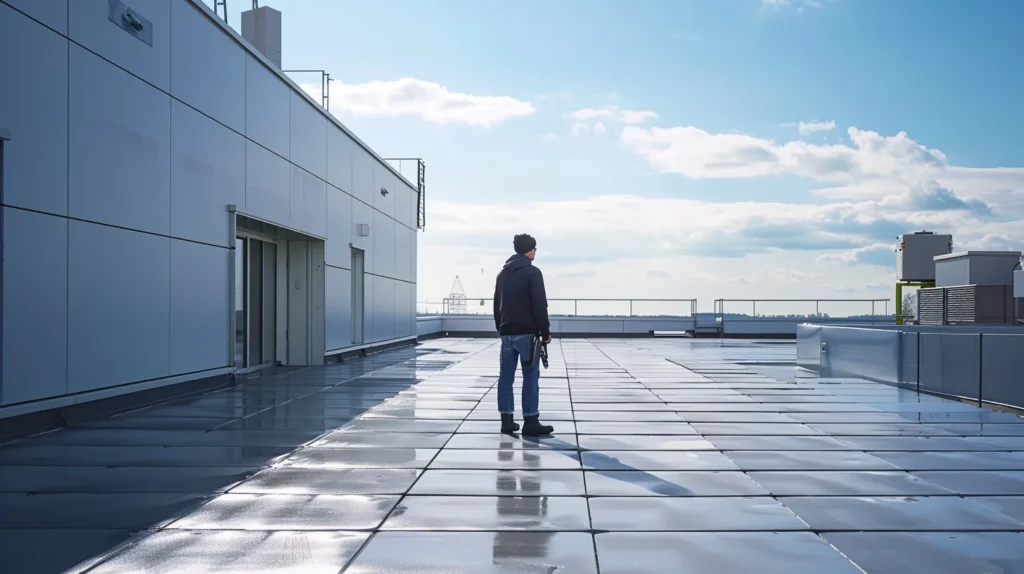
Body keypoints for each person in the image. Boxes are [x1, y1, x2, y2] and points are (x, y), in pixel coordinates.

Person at [493, 233, 554, 436]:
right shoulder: (533, 273)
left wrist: (501, 329)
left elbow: (496, 307)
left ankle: (507, 421)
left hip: (507, 333)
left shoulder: (502, 275)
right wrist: (545, 333)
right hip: (527, 335)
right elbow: (540, 306)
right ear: (530, 251)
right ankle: (530, 421)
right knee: (530, 377)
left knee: (505, 378)